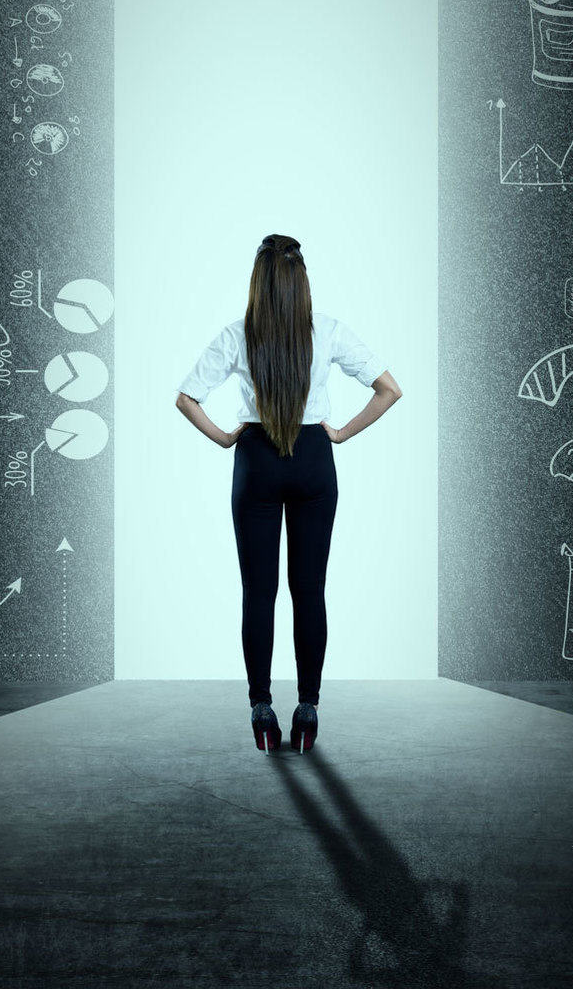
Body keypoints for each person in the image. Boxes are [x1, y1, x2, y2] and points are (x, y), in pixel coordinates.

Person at [174, 233, 402, 754]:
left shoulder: (237, 335)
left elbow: (186, 398)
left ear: (258, 284)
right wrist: (338, 432)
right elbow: (390, 389)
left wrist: (225, 436)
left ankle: (261, 709)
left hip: (255, 460)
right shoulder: (331, 331)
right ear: (303, 283)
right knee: (309, 590)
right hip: (313, 461)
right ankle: (307, 709)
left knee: (259, 592)